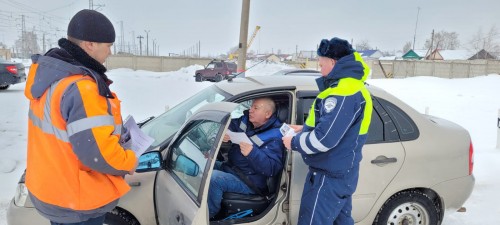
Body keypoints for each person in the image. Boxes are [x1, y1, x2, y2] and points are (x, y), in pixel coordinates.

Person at [24, 9, 138, 225]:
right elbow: (98, 153)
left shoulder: (52, 78)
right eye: (108, 46)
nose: (110, 52)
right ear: (90, 44)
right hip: (76, 200)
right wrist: (129, 161)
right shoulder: (82, 88)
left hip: (52, 190)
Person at [282, 37, 373, 225]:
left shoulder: (344, 92)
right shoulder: (349, 87)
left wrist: (294, 142)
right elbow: (335, 127)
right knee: (341, 221)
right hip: (340, 172)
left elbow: (324, 140)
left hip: (329, 177)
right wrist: (304, 129)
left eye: (321, 64)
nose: (319, 68)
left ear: (333, 62)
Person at [208, 97, 285, 218]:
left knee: (214, 178)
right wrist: (226, 132)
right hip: (232, 168)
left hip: (249, 181)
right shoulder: (247, 121)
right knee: (203, 164)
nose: (250, 110)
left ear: (267, 114)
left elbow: (272, 168)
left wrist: (252, 153)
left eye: (256, 108)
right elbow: (232, 124)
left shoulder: (275, 136)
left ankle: (209, 215)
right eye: (251, 106)